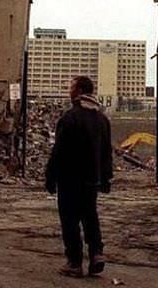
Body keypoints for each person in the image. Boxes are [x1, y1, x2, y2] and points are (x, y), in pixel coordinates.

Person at [45, 75, 113, 277]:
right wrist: (106, 177)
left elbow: (59, 150)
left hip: (70, 178)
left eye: (71, 87)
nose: (69, 90)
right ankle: (96, 253)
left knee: (70, 219)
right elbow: (106, 152)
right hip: (92, 179)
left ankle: (74, 262)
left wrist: (51, 176)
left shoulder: (69, 118)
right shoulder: (102, 120)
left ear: (80, 91)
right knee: (90, 215)